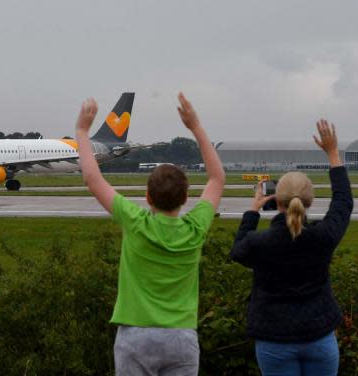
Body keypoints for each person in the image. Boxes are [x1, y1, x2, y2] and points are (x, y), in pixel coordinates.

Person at [75, 92, 225, 375]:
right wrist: (196, 127)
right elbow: (217, 178)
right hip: (180, 336)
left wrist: (82, 131)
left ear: (147, 196)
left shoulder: (136, 222)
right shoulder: (195, 228)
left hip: (136, 334)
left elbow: (92, 178)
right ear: (185, 199)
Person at [230, 120, 353, 376]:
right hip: (319, 336)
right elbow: (343, 202)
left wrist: (253, 211)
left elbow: (238, 251)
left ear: (276, 200)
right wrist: (332, 153)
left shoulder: (259, 243)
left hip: (274, 339)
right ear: (310, 200)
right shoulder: (323, 237)